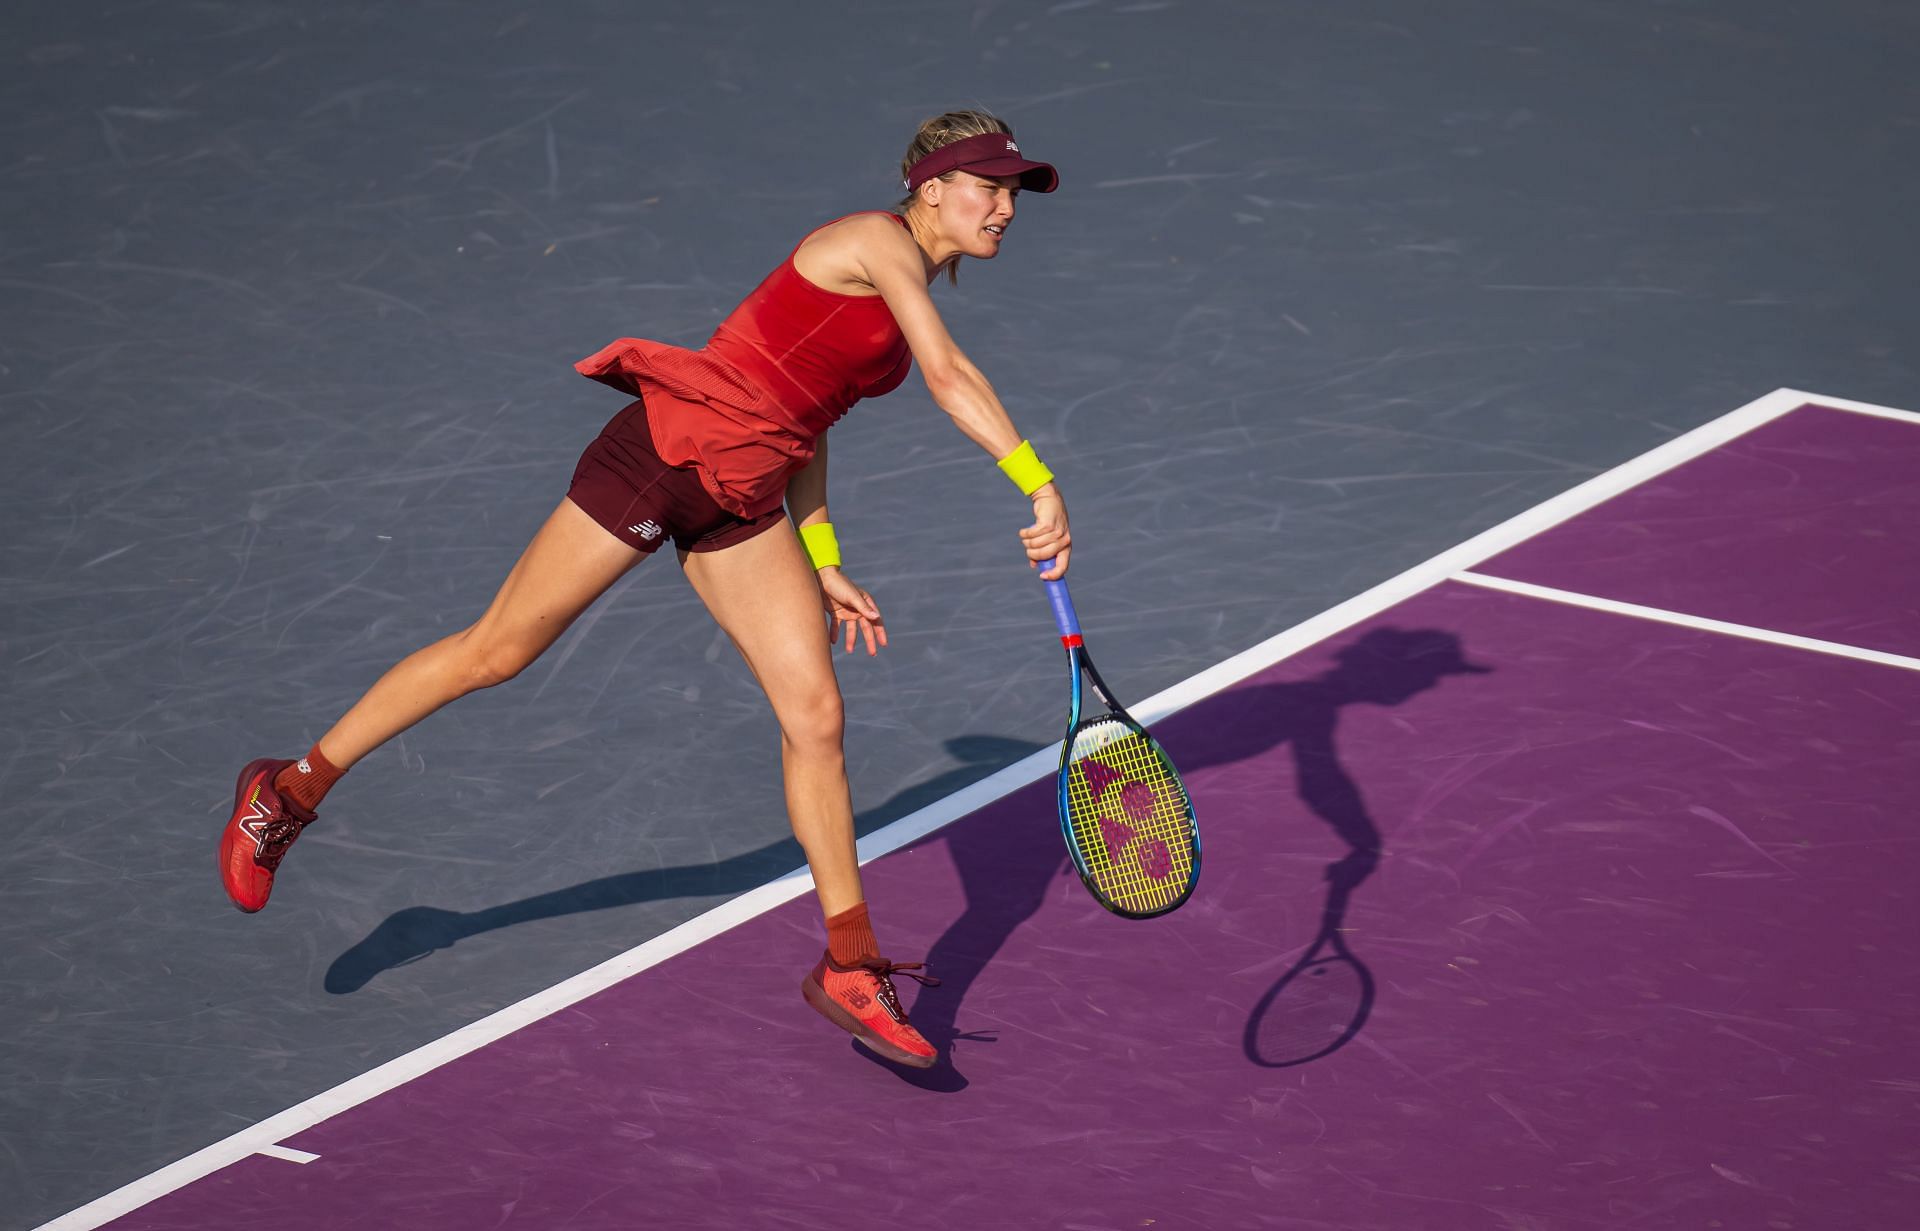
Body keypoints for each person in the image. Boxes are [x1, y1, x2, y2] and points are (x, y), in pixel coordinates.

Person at [216, 110, 1071, 1070]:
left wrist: (824, 555)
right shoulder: (874, 242)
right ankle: (288, 791)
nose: (1005, 208)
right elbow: (952, 375)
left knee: (816, 714)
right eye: (989, 188)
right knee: (497, 651)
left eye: (1011, 193)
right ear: (931, 189)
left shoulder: (896, 289)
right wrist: (1034, 479)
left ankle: (849, 963)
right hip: (661, 461)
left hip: (742, 502)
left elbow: (810, 415)